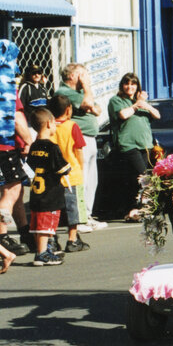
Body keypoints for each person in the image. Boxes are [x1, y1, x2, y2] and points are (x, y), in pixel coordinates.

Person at [0, 40, 35, 257]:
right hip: (4, 145)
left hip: (0, 145)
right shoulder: (3, 82)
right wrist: (28, 140)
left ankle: (24, 231)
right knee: (11, 190)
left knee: (16, 190)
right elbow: (17, 118)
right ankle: (2, 235)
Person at [56, 63, 106, 232]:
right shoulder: (65, 92)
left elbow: (98, 110)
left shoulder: (80, 93)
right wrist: (87, 87)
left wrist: (89, 100)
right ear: (72, 76)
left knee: (92, 180)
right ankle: (79, 219)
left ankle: (87, 215)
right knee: (81, 179)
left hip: (90, 138)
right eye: (82, 74)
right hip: (77, 138)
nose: (86, 77)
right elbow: (87, 105)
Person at [107, 72, 161, 221]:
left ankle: (135, 210)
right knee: (143, 176)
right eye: (127, 84)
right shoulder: (116, 100)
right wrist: (137, 104)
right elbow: (123, 115)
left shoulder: (141, 102)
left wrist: (146, 105)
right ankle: (141, 208)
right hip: (128, 144)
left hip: (145, 145)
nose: (130, 87)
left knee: (136, 179)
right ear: (122, 85)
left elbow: (157, 115)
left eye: (133, 84)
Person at [26, 108, 70, 266]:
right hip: (50, 193)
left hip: (36, 193)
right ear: (50, 123)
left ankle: (43, 249)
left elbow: (29, 167)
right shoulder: (52, 147)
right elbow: (62, 168)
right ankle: (42, 253)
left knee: (38, 225)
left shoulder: (34, 146)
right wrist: (68, 169)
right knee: (46, 225)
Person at [48, 95, 90, 253]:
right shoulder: (72, 126)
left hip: (54, 176)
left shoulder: (49, 126)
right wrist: (81, 167)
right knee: (74, 209)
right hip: (72, 174)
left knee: (54, 210)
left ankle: (51, 239)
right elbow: (78, 149)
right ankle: (72, 239)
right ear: (68, 110)